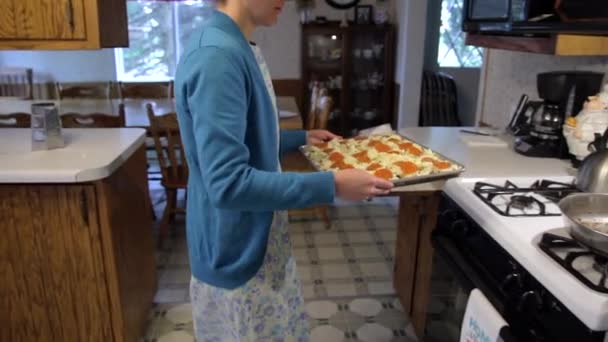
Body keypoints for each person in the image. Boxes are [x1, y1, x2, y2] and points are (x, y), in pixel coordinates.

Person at [174, 0, 394, 340]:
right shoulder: (217, 57)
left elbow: (243, 139)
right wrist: (331, 185)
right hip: (236, 249)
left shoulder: (235, 43)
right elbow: (228, 184)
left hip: (257, 239)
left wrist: (298, 138)